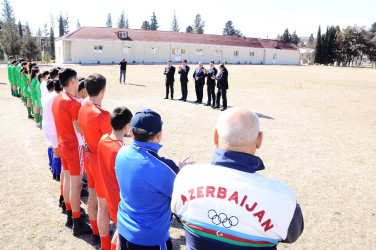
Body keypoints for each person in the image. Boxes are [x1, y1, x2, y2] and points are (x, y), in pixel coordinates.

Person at [171, 107, 304, 250]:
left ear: (215, 136)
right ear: (259, 140)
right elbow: (292, 235)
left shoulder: (185, 177)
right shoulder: (282, 197)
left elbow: (179, 217)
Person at [115, 109, 193, 249]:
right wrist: (180, 171)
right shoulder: (164, 168)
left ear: (131, 132)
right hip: (149, 238)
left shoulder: (122, 152)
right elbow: (182, 198)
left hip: (124, 227)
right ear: (159, 134)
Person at [52, 68, 92, 236]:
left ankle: (70, 215)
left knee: (68, 180)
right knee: (75, 186)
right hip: (74, 147)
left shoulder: (58, 99)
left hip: (63, 144)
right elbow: (80, 128)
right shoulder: (73, 103)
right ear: (73, 81)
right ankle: (77, 221)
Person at [78, 74, 113, 246]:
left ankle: (95, 233)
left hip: (89, 159)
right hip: (99, 163)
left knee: (92, 196)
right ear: (103, 90)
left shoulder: (83, 107)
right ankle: (105, 244)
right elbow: (109, 144)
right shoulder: (103, 114)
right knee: (103, 205)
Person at [97, 106, 133, 250]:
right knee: (122, 232)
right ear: (126, 126)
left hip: (108, 192)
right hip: (119, 198)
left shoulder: (103, 139)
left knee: (119, 229)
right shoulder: (123, 150)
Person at [42, 79, 62, 182]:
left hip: (45, 125)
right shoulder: (55, 96)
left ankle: (52, 167)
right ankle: (57, 173)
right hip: (53, 126)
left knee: (51, 146)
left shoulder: (47, 96)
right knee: (56, 150)